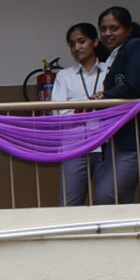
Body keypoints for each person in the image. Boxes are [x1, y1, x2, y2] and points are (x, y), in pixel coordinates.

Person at [94, 6, 140, 203]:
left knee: (105, 195)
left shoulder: (136, 46)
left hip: (138, 137)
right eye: (103, 29)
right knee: (122, 198)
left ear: (128, 29)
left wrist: (106, 96)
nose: (107, 33)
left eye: (114, 28)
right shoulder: (116, 54)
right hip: (122, 137)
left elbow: (135, 85)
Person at [48, 22, 109, 208]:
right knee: (69, 204)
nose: (77, 47)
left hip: (107, 144)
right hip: (74, 145)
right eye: (72, 44)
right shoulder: (64, 76)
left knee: (108, 200)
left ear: (95, 42)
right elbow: (58, 113)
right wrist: (86, 106)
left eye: (81, 41)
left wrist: (85, 105)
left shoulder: (110, 70)